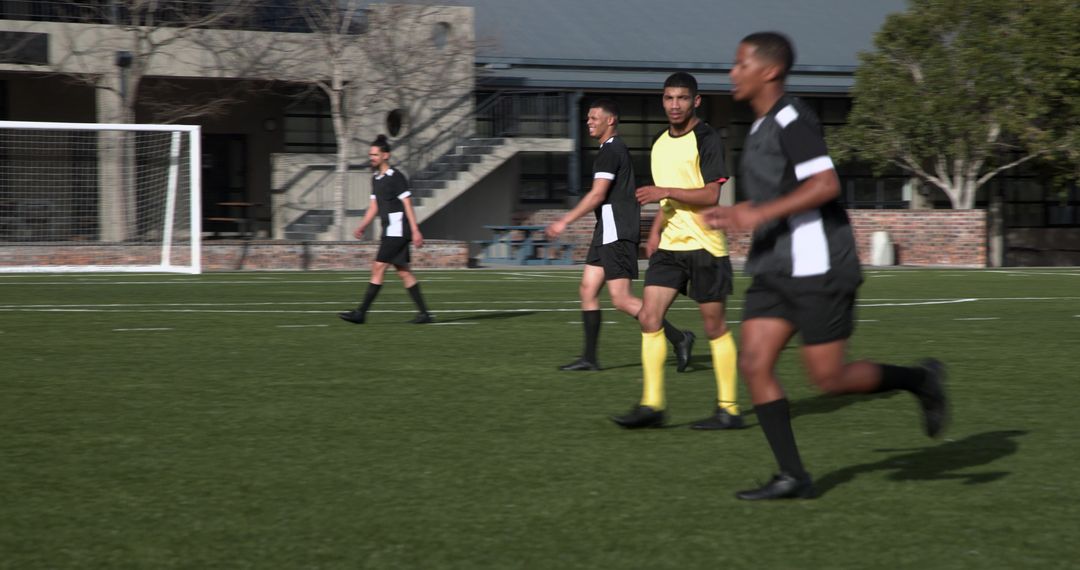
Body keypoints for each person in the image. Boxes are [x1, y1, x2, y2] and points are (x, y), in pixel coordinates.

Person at [703, 32, 948, 500]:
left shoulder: (793, 117)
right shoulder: (757, 128)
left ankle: (921, 380)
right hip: (774, 265)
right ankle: (793, 475)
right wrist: (736, 213)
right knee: (754, 362)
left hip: (818, 265)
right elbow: (782, 193)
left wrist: (752, 213)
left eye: (739, 64)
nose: (732, 72)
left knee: (829, 379)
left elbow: (824, 183)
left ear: (769, 70)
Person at [610, 72, 743, 431]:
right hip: (670, 247)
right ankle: (653, 405)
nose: (674, 105)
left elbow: (710, 195)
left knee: (714, 327)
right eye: (669, 98)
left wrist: (662, 190)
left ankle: (728, 409)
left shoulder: (707, 138)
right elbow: (668, 202)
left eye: (682, 98)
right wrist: (655, 230)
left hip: (705, 247)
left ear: (696, 101)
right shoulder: (658, 143)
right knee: (650, 318)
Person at [546, 99, 695, 372]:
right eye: (587, 118)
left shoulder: (611, 151)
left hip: (616, 231)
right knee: (587, 290)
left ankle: (679, 337)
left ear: (610, 120)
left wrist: (564, 220)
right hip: (606, 229)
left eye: (593, 118)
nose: (588, 122)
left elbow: (597, 194)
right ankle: (589, 359)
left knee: (622, 299)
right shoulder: (608, 150)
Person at [339, 135, 434, 325]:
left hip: (398, 230)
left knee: (378, 266)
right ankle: (424, 314)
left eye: (375, 154)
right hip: (389, 230)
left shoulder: (396, 177)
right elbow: (373, 207)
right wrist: (362, 226)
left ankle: (361, 313)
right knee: (403, 272)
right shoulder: (376, 179)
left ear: (386, 155)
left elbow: (408, 204)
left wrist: (415, 231)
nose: (371, 157)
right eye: (370, 154)